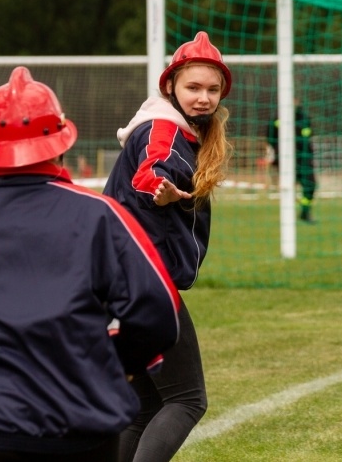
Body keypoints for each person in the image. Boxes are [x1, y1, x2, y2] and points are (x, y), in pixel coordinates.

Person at [0, 66, 181, 462]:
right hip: (82, 435)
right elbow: (159, 312)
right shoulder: (100, 216)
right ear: (61, 145)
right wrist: (112, 365)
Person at [103, 31, 232, 462]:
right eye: (193, 87)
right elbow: (152, 169)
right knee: (187, 400)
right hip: (143, 282)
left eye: (212, 90)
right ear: (170, 87)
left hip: (117, 281)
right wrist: (159, 187)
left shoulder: (182, 130)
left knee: (146, 407)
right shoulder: (162, 129)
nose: (203, 98)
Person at [266, 97, 318, 223]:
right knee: (288, 186)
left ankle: (305, 211)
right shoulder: (277, 118)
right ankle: (287, 216)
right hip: (285, 160)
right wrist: (276, 153)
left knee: (310, 185)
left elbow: (309, 137)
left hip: (303, 159)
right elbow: (270, 137)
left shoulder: (304, 118)